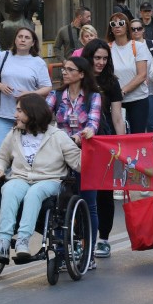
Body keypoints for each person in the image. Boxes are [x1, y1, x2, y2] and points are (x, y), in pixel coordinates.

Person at [0, 94, 83, 260]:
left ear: (33, 112)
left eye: (20, 111)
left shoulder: (57, 136)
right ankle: (3, 242)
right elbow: (2, 156)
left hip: (50, 180)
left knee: (34, 192)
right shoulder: (15, 134)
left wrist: (90, 149)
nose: (15, 115)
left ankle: (23, 240)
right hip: (21, 178)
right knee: (9, 189)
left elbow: (78, 163)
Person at [45, 56, 101, 266]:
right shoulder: (57, 95)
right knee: (60, 204)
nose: (64, 73)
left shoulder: (93, 97)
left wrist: (82, 134)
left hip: (85, 153)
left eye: (69, 69)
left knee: (89, 205)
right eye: (64, 69)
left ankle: (89, 253)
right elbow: (42, 115)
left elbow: (93, 123)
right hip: (60, 156)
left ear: (81, 74)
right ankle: (61, 252)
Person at [82, 39, 125, 259]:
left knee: (104, 193)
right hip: (79, 142)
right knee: (80, 190)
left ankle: (104, 238)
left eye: (104, 58)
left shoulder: (111, 82)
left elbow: (117, 117)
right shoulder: (78, 78)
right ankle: (81, 237)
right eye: (96, 58)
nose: (100, 62)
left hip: (104, 142)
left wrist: (122, 147)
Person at [0, 27, 53, 152]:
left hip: (28, 115)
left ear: (32, 43)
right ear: (15, 40)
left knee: (24, 151)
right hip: (4, 113)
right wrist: (0, 86)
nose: (23, 40)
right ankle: (8, 170)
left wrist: (30, 93)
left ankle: (17, 171)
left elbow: (47, 87)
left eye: (27, 38)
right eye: (20, 37)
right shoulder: (4, 56)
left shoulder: (38, 62)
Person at [106, 12, 150, 133]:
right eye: (113, 24)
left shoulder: (138, 46)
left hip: (138, 99)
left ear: (127, 27)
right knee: (118, 136)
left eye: (121, 23)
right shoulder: (107, 48)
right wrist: (115, 94)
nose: (117, 26)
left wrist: (122, 91)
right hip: (115, 101)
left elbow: (142, 75)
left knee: (137, 136)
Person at [130, 18, 153, 133]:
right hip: (133, 91)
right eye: (133, 29)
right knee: (135, 124)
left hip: (151, 90)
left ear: (143, 30)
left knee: (151, 123)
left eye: (138, 28)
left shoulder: (152, 44)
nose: (136, 31)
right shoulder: (127, 47)